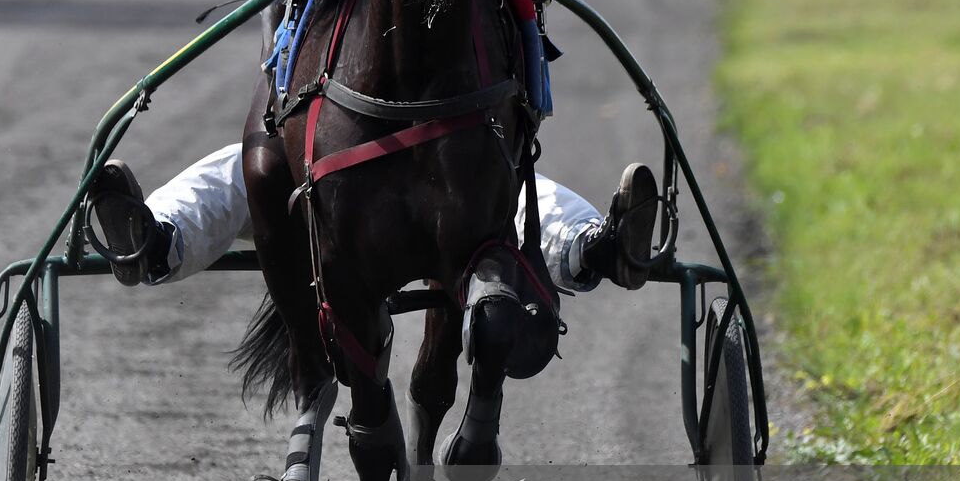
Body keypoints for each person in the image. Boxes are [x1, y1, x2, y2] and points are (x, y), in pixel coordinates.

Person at [86, 146, 659, 296]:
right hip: (323, 165)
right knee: (248, 169)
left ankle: (596, 250)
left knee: (503, 183)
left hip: (442, 172)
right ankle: (156, 241)